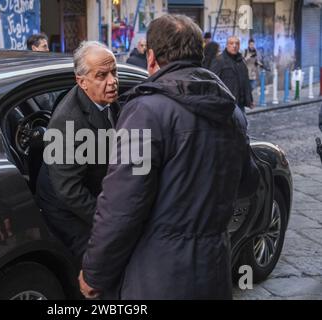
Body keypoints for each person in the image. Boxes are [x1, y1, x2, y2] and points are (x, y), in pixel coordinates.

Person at [79, 14, 258, 300]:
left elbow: (122, 204)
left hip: (159, 274)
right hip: (214, 267)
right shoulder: (231, 111)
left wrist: (94, 272)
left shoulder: (146, 111)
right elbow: (248, 182)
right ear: (199, 55)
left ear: (151, 58)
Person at [36, 41, 119, 261]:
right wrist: (107, 218)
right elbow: (69, 192)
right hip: (65, 208)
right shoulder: (67, 122)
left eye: (114, 72)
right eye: (102, 76)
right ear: (81, 82)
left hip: (87, 189)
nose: (112, 82)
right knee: (99, 259)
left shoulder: (109, 100)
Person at [210, 36, 253, 112]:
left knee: (241, 123)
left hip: (240, 104)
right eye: (231, 43)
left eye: (237, 43)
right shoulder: (219, 60)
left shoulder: (241, 62)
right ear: (227, 45)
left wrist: (249, 99)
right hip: (225, 105)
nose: (234, 46)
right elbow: (212, 82)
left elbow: (246, 81)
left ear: (239, 46)